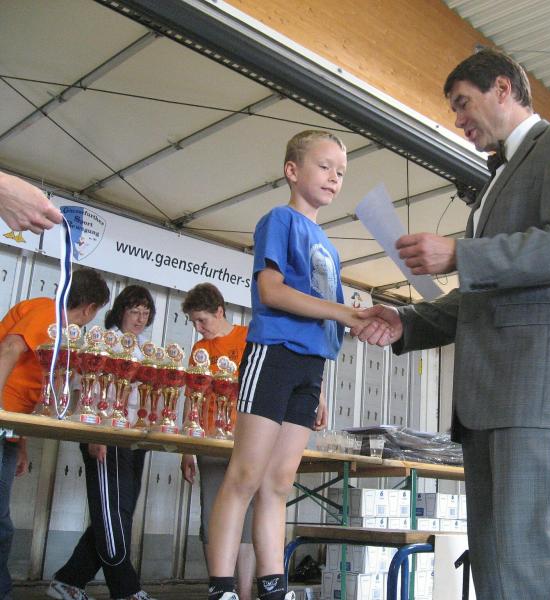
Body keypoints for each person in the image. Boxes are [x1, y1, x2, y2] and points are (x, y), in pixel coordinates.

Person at [353, 48, 550, 598]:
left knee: (530, 556)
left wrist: (460, 254)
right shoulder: (495, 182)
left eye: (463, 103)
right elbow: (481, 295)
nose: (459, 119)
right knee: (495, 560)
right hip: (488, 396)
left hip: (532, 386)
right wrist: (406, 322)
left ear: (502, 88)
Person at [205, 130, 379, 600]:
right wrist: (344, 313)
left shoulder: (330, 247)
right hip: (274, 354)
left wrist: (320, 384)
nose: (334, 177)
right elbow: (272, 291)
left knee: (280, 481)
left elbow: (326, 317)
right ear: (292, 170)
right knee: (245, 474)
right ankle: (221, 587)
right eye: (324, 166)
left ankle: (272, 584)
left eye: (341, 172)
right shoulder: (279, 220)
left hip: (310, 366)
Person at [0, 268, 110, 600]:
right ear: (90, 308)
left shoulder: (60, 329)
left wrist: (20, 442)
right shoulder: (48, 313)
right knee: (1, 524)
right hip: (3, 419)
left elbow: (30, 389)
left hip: (11, 427)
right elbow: (9, 349)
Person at [48, 285, 158, 600]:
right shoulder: (102, 341)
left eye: (146, 312)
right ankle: (126, 590)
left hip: (135, 438)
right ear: (120, 311)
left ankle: (68, 581)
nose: (140, 318)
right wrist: (95, 435)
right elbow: (85, 391)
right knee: (112, 515)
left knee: (117, 514)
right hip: (105, 435)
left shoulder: (145, 348)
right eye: (135, 311)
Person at [179, 283, 255, 600]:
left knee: (247, 520)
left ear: (219, 311)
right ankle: (221, 589)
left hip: (248, 440)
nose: (199, 328)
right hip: (210, 441)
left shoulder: (248, 337)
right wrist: (187, 449)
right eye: (194, 322)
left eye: (202, 320)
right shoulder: (200, 350)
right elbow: (191, 398)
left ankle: (246, 592)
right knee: (212, 515)